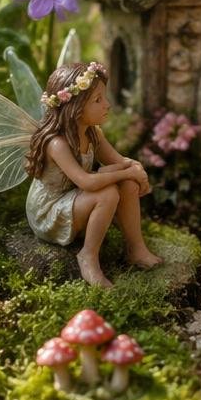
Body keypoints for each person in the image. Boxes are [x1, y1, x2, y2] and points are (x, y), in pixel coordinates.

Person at [25, 59, 161, 288]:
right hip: (49, 210)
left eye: (104, 97)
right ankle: (88, 256)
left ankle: (136, 249)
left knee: (128, 183)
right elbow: (86, 181)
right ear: (74, 108)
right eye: (97, 100)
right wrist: (123, 172)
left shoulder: (93, 134)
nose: (107, 104)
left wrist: (136, 169)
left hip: (77, 198)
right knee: (107, 193)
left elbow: (119, 161)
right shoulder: (57, 143)